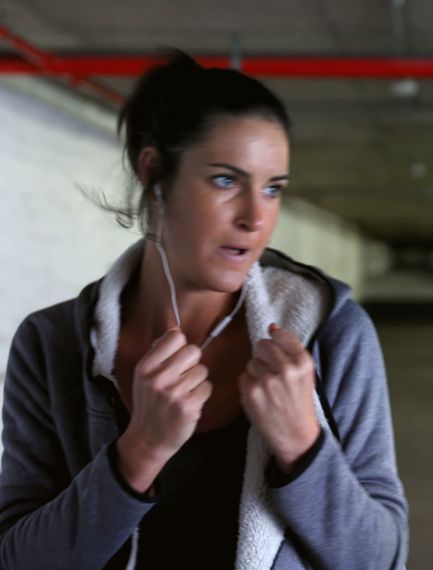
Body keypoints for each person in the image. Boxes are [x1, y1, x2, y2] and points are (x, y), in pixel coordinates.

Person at [0, 50, 409, 569]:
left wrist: (303, 446)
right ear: (154, 173)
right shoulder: (53, 342)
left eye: (273, 189)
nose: (255, 217)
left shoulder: (331, 334)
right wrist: (138, 453)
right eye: (225, 180)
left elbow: (382, 559)